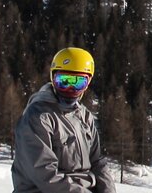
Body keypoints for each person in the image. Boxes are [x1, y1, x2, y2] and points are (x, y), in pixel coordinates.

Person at [13, 47, 114, 193]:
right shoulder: (38, 117)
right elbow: (45, 175)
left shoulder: (84, 116)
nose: (70, 88)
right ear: (53, 79)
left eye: (79, 83)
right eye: (64, 81)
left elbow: (97, 161)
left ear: (88, 82)